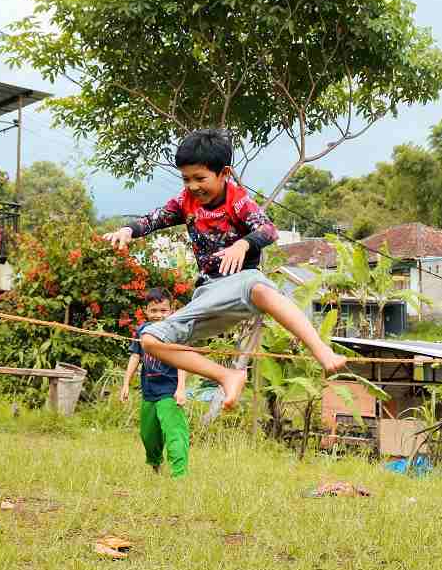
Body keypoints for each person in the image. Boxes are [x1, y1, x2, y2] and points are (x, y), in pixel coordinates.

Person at [103, 129, 345, 410]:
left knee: (263, 291)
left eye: (200, 178)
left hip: (242, 282)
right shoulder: (185, 201)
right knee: (151, 339)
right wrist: (128, 229)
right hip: (209, 292)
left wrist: (243, 245)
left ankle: (321, 350)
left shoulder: (238, 201)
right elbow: (155, 218)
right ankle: (227, 376)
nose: (192, 186)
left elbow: (268, 229)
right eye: (186, 179)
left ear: (224, 173)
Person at [120, 288, 190, 477]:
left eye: (163, 310)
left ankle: (179, 475)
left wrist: (181, 388)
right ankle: (155, 464)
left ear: (171, 310)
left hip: (170, 390)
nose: (158, 315)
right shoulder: (142, 331)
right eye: (154, 310)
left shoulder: (175, 330)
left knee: (174, 432)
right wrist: (126, 383)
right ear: (146, 310)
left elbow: (183, 360)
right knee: (148, 435)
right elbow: (136, 356)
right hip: (149, 391)